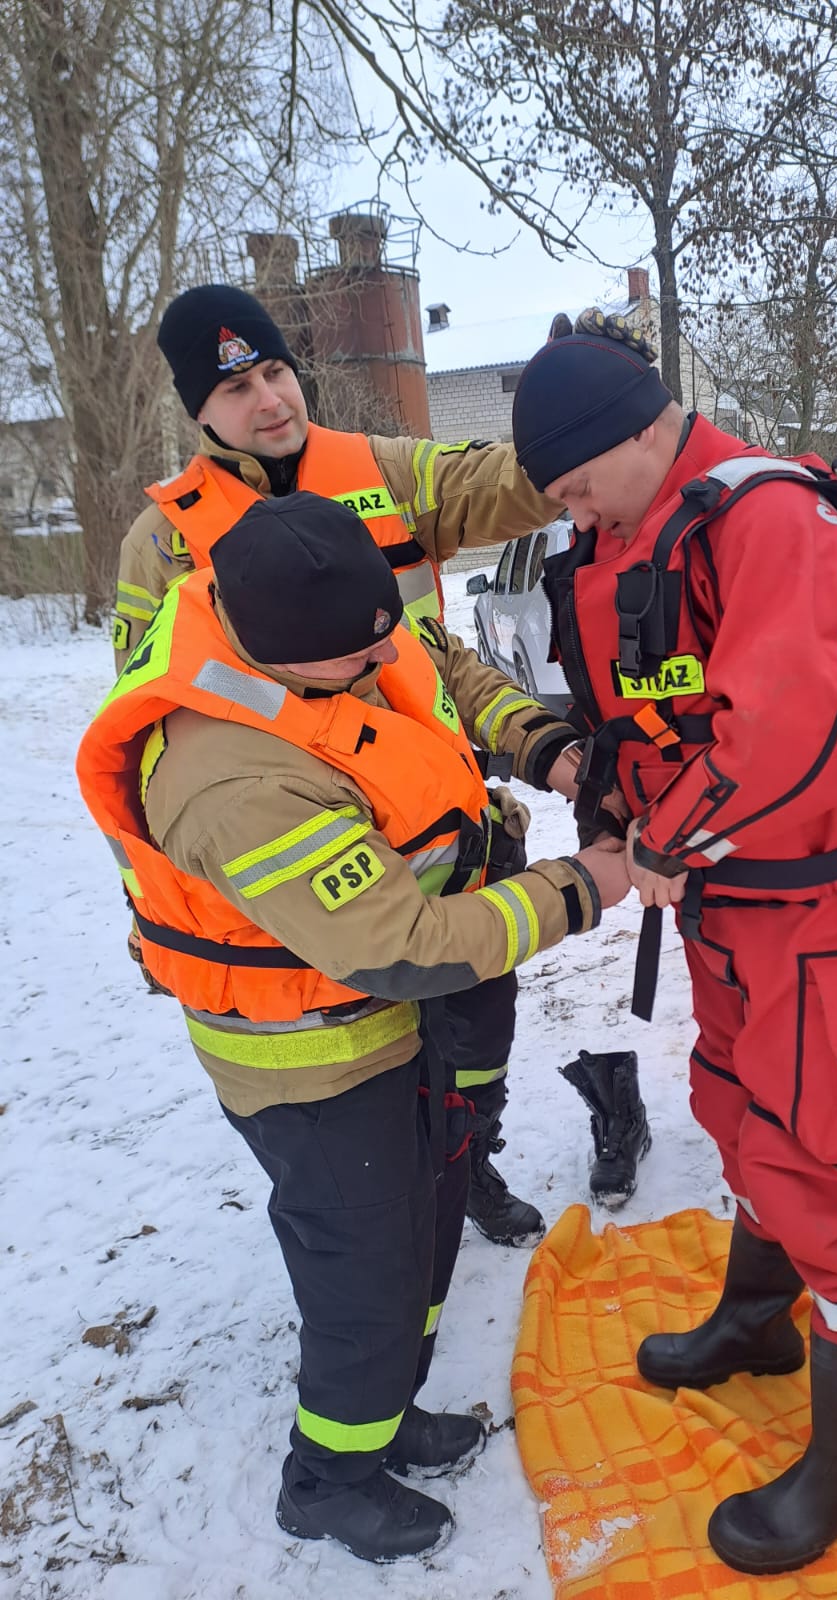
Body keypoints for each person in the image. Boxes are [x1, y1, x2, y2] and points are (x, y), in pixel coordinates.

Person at [77, 492, 630, 1562]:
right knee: (365, 1283)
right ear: (281, 652)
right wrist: (585, 886)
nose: (386, 657)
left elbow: (434, 674)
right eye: (362, 653)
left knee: (420, 1241)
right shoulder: (228, 776)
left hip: (393, 1034)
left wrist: (551, 753)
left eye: (386, 635)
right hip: (312, 1070)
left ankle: (384, 1416)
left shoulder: (332, 630)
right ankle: (327, 1480)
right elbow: (402, 943)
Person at [510, 313, 837, 1577]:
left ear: (645, 428)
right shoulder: (628, 532)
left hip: (835, 907)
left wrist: (663, 837)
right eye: (558, 497)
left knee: (824, 1161)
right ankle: (761, 1322)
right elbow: (644, 708)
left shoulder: (770, 519)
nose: (572, 512)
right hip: (734, 900)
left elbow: (786, 727)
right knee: (738, 1103)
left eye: (577, 483)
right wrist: (612, 799)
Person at [114, 283, 565, 1247]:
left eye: (277, 373)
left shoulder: (380, 470)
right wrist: (158, 909)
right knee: (379, 1069)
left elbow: (510, 484)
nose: (270, 401)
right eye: (236, 390)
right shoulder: (165, 542)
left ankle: (470, 1158)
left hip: (444, 828)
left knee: (478, 1030)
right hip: (314, 854)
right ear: (198, 411)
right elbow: (146, 730)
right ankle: (396, 1207)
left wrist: (581, 404)